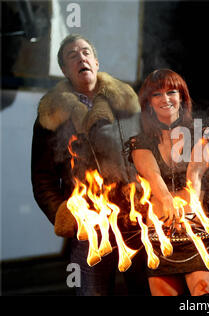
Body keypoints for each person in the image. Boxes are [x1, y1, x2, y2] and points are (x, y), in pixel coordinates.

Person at [31, 34, 149, 295]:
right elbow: (42, 179)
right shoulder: (50, 118)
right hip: (88, 228)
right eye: (72, 56)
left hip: (134, 221)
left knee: (145, 291)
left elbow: (146, 156)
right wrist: (64, 214)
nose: (81, 57)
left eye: (85, 52)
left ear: (96, 62)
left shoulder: (128, 107)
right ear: (64, 70)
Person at [129, 69, 209, 296]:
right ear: (148, 102)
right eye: (157, 94)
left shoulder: (204, 134)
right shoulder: (139, 142)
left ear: (182, 98)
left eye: (171, 92)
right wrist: (168, 202)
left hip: (194, 233)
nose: (165, 99)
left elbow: (194, 176)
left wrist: (185, 213)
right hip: (158, 237)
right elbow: (153, 178)